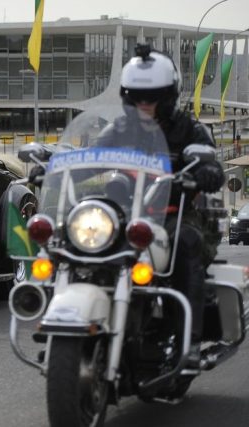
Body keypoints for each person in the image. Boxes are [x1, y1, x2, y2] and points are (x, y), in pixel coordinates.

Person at [100, 45, 225, 362]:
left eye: (152, 96)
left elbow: (213, 166)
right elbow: (89, 159)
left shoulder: (190, 129)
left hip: (176, 215)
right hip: (125, 216)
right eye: (137, 96)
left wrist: (207, 173)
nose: (144, 103)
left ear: (168, 95)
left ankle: (189, 341)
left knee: (185, 243)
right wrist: (54, 165)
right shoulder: (117, 129)